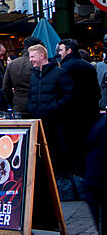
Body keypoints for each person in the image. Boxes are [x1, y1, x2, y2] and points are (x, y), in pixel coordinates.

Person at [26, 43, 73, 181]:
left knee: (56, 153)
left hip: (55, 122)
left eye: (32, 56)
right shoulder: (34, 75)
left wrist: (54, 107)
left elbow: (69, 95)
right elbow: (31, 95)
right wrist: (31, 108)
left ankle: (58, 183)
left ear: (42, 56)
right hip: (38, 121)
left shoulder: (59, 73)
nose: (30, 60)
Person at [56, 38, 100, 181]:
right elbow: (97, 93)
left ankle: (75, 182)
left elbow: (62, 93)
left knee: (72, 151)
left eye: (61, 50)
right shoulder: (88, 67)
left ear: (68, 51)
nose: (59, 53)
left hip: (71, 117)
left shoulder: (63, 69)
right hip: (90, 115)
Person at [2, 35, 40, 114]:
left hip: (19, 106)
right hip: (37, 106)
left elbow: (6, 89)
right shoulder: (39, 64)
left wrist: (14, 102)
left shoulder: (12, 64)